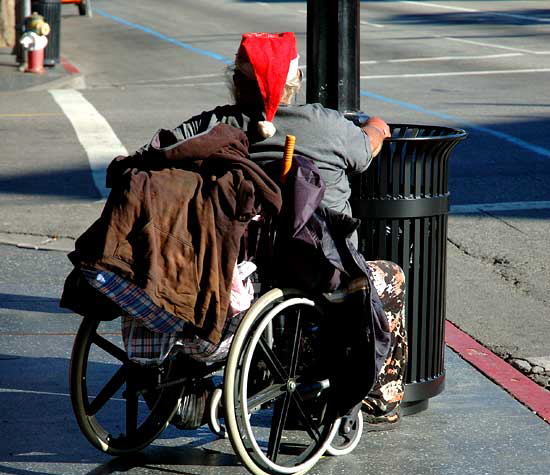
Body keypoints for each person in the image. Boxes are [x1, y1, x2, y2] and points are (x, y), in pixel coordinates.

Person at [120, 32, 408, 430]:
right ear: (297, 81)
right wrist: (377, 127)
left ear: (236, 83)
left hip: (237, 265)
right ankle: (379, 398)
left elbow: (162, 152)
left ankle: (206, 384)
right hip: (319, 267)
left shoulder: (214, 126)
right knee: (390, 276)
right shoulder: (326, 124)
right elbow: (365, 151)